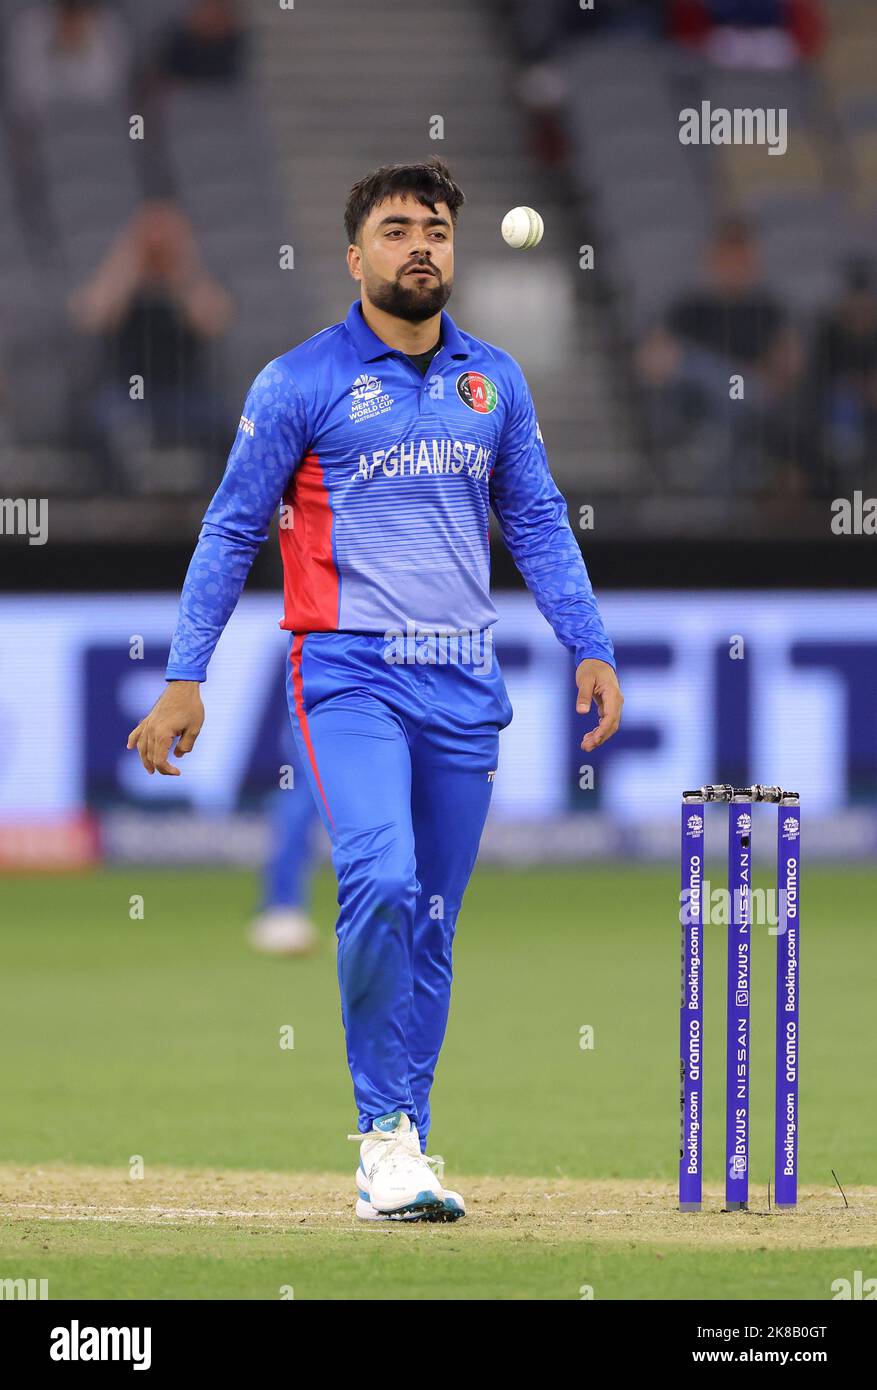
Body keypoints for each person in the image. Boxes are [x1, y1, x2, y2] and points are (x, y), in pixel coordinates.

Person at [126, 157, 623, 1223]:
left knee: (433, 923)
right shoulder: (298, 380)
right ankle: (382, 1134)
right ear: (356, 258)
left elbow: (535, 517)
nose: (420, 246)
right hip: (348, 671)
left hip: (463, 676)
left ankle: (406, 1143)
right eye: (397, 230)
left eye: (436, 228)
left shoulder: (493, 381)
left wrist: (589, 642)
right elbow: (227, 529)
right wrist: (185, 674)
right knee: (381, 879)